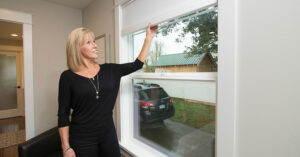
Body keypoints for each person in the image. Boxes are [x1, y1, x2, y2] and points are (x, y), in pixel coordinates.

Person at [57, 23, 158, 157]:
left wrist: (148, 38)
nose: (95, 45)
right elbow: (63, 114)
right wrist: (66, 147)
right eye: (89, 42)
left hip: (108, 134)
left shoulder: (110, 70)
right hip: (82, 138)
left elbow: (137, 64)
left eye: (94, 41)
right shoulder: (67, 77)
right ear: (77, 48)